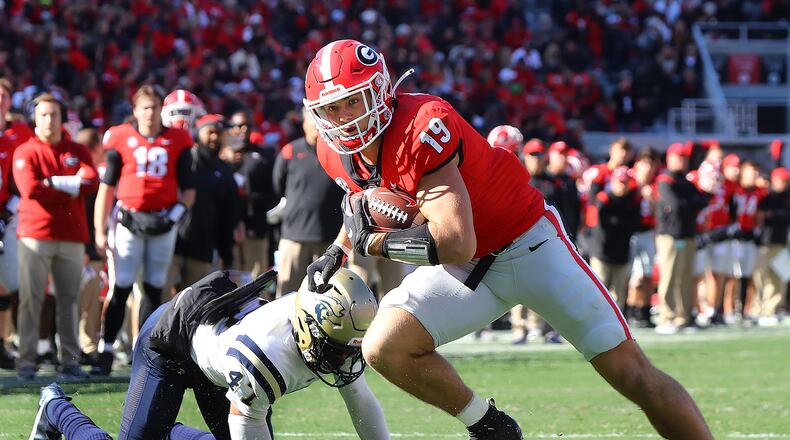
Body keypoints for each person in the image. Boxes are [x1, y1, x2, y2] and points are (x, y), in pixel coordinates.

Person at [303, 39, 712, 439]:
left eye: (353, 101)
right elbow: (366, 202)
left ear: (380, 91)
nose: (344, 118)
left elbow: (454, 240)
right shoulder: (332, 151)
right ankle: (488, 424)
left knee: (631, 374)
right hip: (467, 268)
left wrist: (370, 244)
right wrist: (339, 248)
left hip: (528, 245)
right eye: (332, 108)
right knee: (384, 347)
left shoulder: (421, 124)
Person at [29, 268, 390, 440]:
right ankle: (55, 408)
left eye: (346, 352)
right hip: (171, 342)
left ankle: (163, 430)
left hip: (220, 355)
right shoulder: (266, 355)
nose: (342, 361)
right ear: (308, 328)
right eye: (335, 351)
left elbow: (360, 400)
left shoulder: (335, 334)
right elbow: (245, 423)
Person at [92, 85, 195, 375]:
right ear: (135, 111)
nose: (150, 114)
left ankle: (145, 350)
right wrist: (99, 230)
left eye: (154, 107)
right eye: (144, 108)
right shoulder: (120, 137)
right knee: (121, 285)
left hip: (163, 220)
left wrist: (173, 216)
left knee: (153, 286)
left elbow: (189, 191)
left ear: (161, 109)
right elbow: (107, 188)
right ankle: (107, 349)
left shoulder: (178, 139)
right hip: (128, 219)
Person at [12, 93, 99, 380]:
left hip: (72, 235)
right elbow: (31, 189)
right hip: (35, 234)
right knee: (30, 299)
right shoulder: (25, 151)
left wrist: (53, 183)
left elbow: (91, 181)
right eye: (44, 114)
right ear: (35, 118)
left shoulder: (76, 149)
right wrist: (69, 186)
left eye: (54, 114)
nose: (50, 120)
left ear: (63, 117)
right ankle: (26, 361)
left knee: (69, 299)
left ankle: (70, 361)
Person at [272, 109, 344, 297]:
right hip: (294, 238)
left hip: (329, 241)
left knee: (328, 298)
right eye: (312, 121)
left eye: (320, 121)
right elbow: (277, 186)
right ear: (303, 123)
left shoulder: (339, 151)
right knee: (287, 297)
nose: (316, 126)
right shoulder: (290, 152)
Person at [166, 115, 239, 294]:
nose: (214, 137)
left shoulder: (225, 171)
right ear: (198, 134)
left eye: (218, 133)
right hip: (171, 246)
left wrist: (226, 255)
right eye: (210, 132)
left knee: (194, 307)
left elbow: (227, 216)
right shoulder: (185, 161)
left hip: (202, 249)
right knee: (160, 303)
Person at [654, 143, 712, 334]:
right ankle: (666, 317)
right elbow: (676, 204)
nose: (682, 160)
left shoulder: (685, 181)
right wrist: (693, 202)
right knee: (669, 276)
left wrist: (696, 199)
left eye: (684, 157)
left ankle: (683, 317)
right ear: (669, 158)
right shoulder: (665, 180)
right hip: (670, 236)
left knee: (686, 277)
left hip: (687, 235)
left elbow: (701, 201)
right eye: (679, 156)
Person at [0, 77, 33, 369]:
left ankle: (4, 342)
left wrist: (9, 208)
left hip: (9, 214)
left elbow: (25, 174)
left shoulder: (20, 133)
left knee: (9, 283)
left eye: (3, 96)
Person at [226, 109, 280, 280]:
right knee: (229, 281)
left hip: (256, 227)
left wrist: (251, 199)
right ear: (230, 128)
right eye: (239, 125)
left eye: (248, 125)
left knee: (256, 281)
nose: (243, 129)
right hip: (227, 229)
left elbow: (274, 193)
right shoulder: (220, 156)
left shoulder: (263, 156)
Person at [588, 166, 641, 311]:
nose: (622, 186)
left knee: (619, 294)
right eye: (619, 182)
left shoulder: (632, 200)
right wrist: (620, 224)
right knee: (599, 291)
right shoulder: (604, 199)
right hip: (602, 251)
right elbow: (601, 226)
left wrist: (618, 223)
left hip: (622, 252)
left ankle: (616, 327)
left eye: (625, 182)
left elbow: (634, 225)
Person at [754, 167, 789, 324]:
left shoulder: (787, 198)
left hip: (782, 243)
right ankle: (764, 311)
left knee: (781, 277)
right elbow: (760, 218)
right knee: (764, 278)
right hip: (766, 243)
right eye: (782, 180)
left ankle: (774, 309)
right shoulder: (767, 198)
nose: (785, 184)